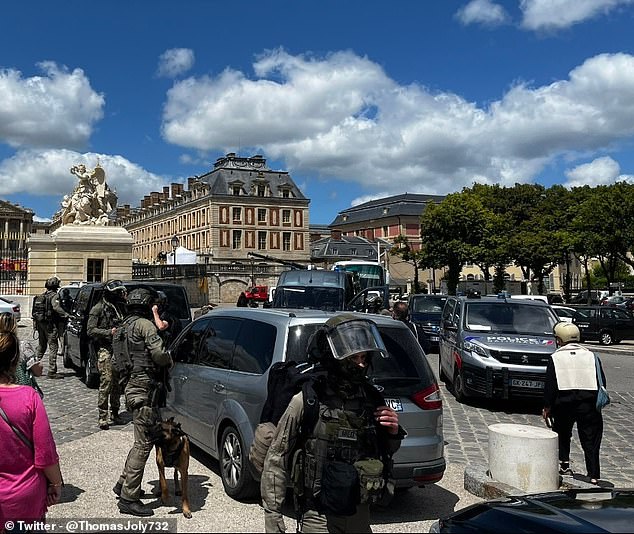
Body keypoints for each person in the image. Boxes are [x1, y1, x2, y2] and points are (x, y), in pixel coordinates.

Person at [261, 314, 406, 533]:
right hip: (318, 515)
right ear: (333, 357)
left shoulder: (370, 399)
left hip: (358, 512)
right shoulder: (308, 400)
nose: (360, 364)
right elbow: (276, 458)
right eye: (354, 358)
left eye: (364, 359)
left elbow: (385, 452)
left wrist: (392, 432)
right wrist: (273, 517)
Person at [113, 288, 172, 517]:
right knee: (144, 443)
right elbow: (158, 355)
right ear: (147, 305)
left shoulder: (122, 328)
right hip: (144, 386)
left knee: (140, 439)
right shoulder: (145, 325)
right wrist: (170, 359)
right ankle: (129, 498)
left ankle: (123, 483)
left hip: (130, 385)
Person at [0, 312, 63, 527]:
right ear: (14, 360)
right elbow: (44, 452)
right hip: (22, 498)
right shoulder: (29, 397)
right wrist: (56, 483)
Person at [542, 322, 605, 485]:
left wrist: (547, 407)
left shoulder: (555, 357)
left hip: (564, 403)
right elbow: (601, 381)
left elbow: (550, 385)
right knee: (590, 438)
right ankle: (593, 473)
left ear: (559, 339)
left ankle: (564, 464)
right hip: (588, 403)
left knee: (563, 434)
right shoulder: (591, 356)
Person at [87, 279, 127, 430]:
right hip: (105, 348)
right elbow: (90, 330)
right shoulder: (98, 308)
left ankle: (115, 412)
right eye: (116, 293)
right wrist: (109, 332)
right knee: (107, 381)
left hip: (120, 349)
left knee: (117, 383)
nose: (119, 295)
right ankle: (103, 416)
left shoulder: (120, 307)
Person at [33, 276, 68, 379]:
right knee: (53, 347)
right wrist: (66, 314)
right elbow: (56, 307)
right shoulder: (54, 296)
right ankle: (52, 371)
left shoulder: (42, 295)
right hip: (49, 325)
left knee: (41, 346)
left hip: (41, 324)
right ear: (56, 286)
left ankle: (32, 367)